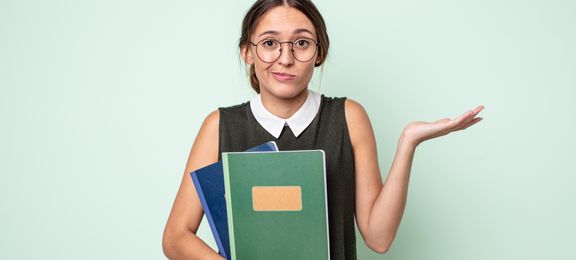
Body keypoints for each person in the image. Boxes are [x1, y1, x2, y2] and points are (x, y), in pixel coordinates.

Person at [162, 0, 484, 259]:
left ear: (319, 53)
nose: (285, 58)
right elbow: (175, 237)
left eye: (301, 43)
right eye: (270, 43)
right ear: (248, 52)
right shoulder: (219, 126)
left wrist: (408, 143)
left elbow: (379, 237)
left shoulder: (349, 117)